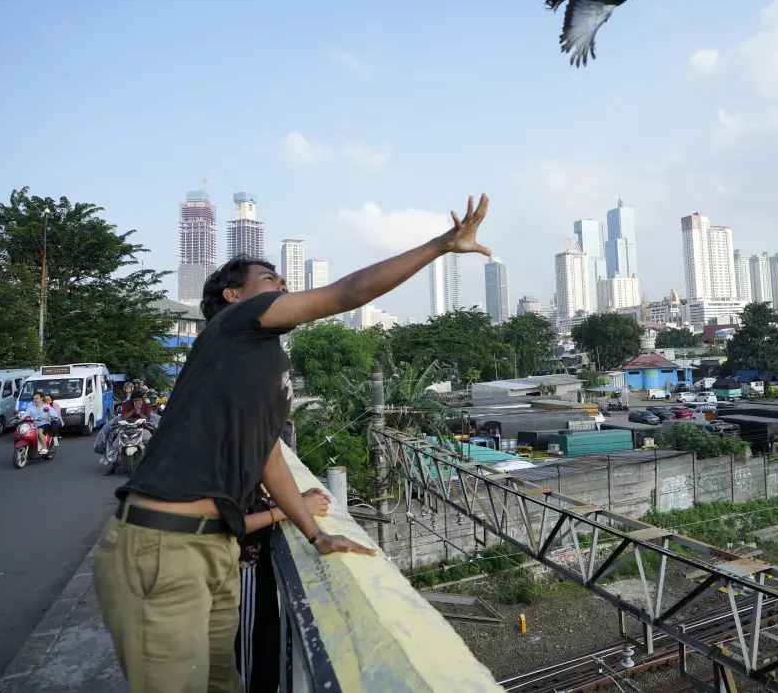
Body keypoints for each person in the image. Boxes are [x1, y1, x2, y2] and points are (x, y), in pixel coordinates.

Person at [92, 193, 490, 692]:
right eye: (268, 279)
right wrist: (440, 245)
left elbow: (267, 455)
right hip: (164, 547)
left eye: (282, 280)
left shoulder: (259, 361)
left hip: (213, 549)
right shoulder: (232, 325)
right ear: (236, 297)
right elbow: (348, 293)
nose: (281, 285)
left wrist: (315, 532)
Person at [235, 485, 330, 692]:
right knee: (249, 667)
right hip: (242, 575)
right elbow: (231, 522)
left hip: (258, 572)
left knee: (265, 656)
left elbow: (254, 499)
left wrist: (296, 500)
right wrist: (294, 509)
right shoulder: (217, 459)